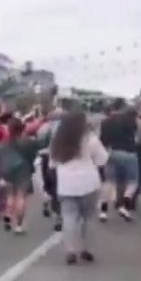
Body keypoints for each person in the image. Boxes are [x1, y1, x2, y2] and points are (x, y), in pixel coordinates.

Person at [49, 111, 109, 265]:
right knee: (88, 217)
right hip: (88, 183)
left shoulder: (58, 141)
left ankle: (70, 250)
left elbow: (52, 163)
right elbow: (103, 159)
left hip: (66, 184)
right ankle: (86, 249)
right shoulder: (90, 139)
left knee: (68, 217)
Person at [0, 117, 39, 234]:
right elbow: (33, 156)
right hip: (23, 170)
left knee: (10, 196)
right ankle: (19, 225)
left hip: (7, 171)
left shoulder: (3, 144)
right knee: (21, 196)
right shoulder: (28, 142)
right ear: (22, 128)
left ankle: (7, 219)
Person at [98, 98, 139, 222]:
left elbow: (102, 141)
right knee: (132, 181)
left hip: (111, 153)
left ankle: (103, 212)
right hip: (129, 153)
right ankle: (125, 202)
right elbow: (136, 136)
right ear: (122, 107)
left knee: (109, 182)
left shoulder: (105, 122)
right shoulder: (131, 120)